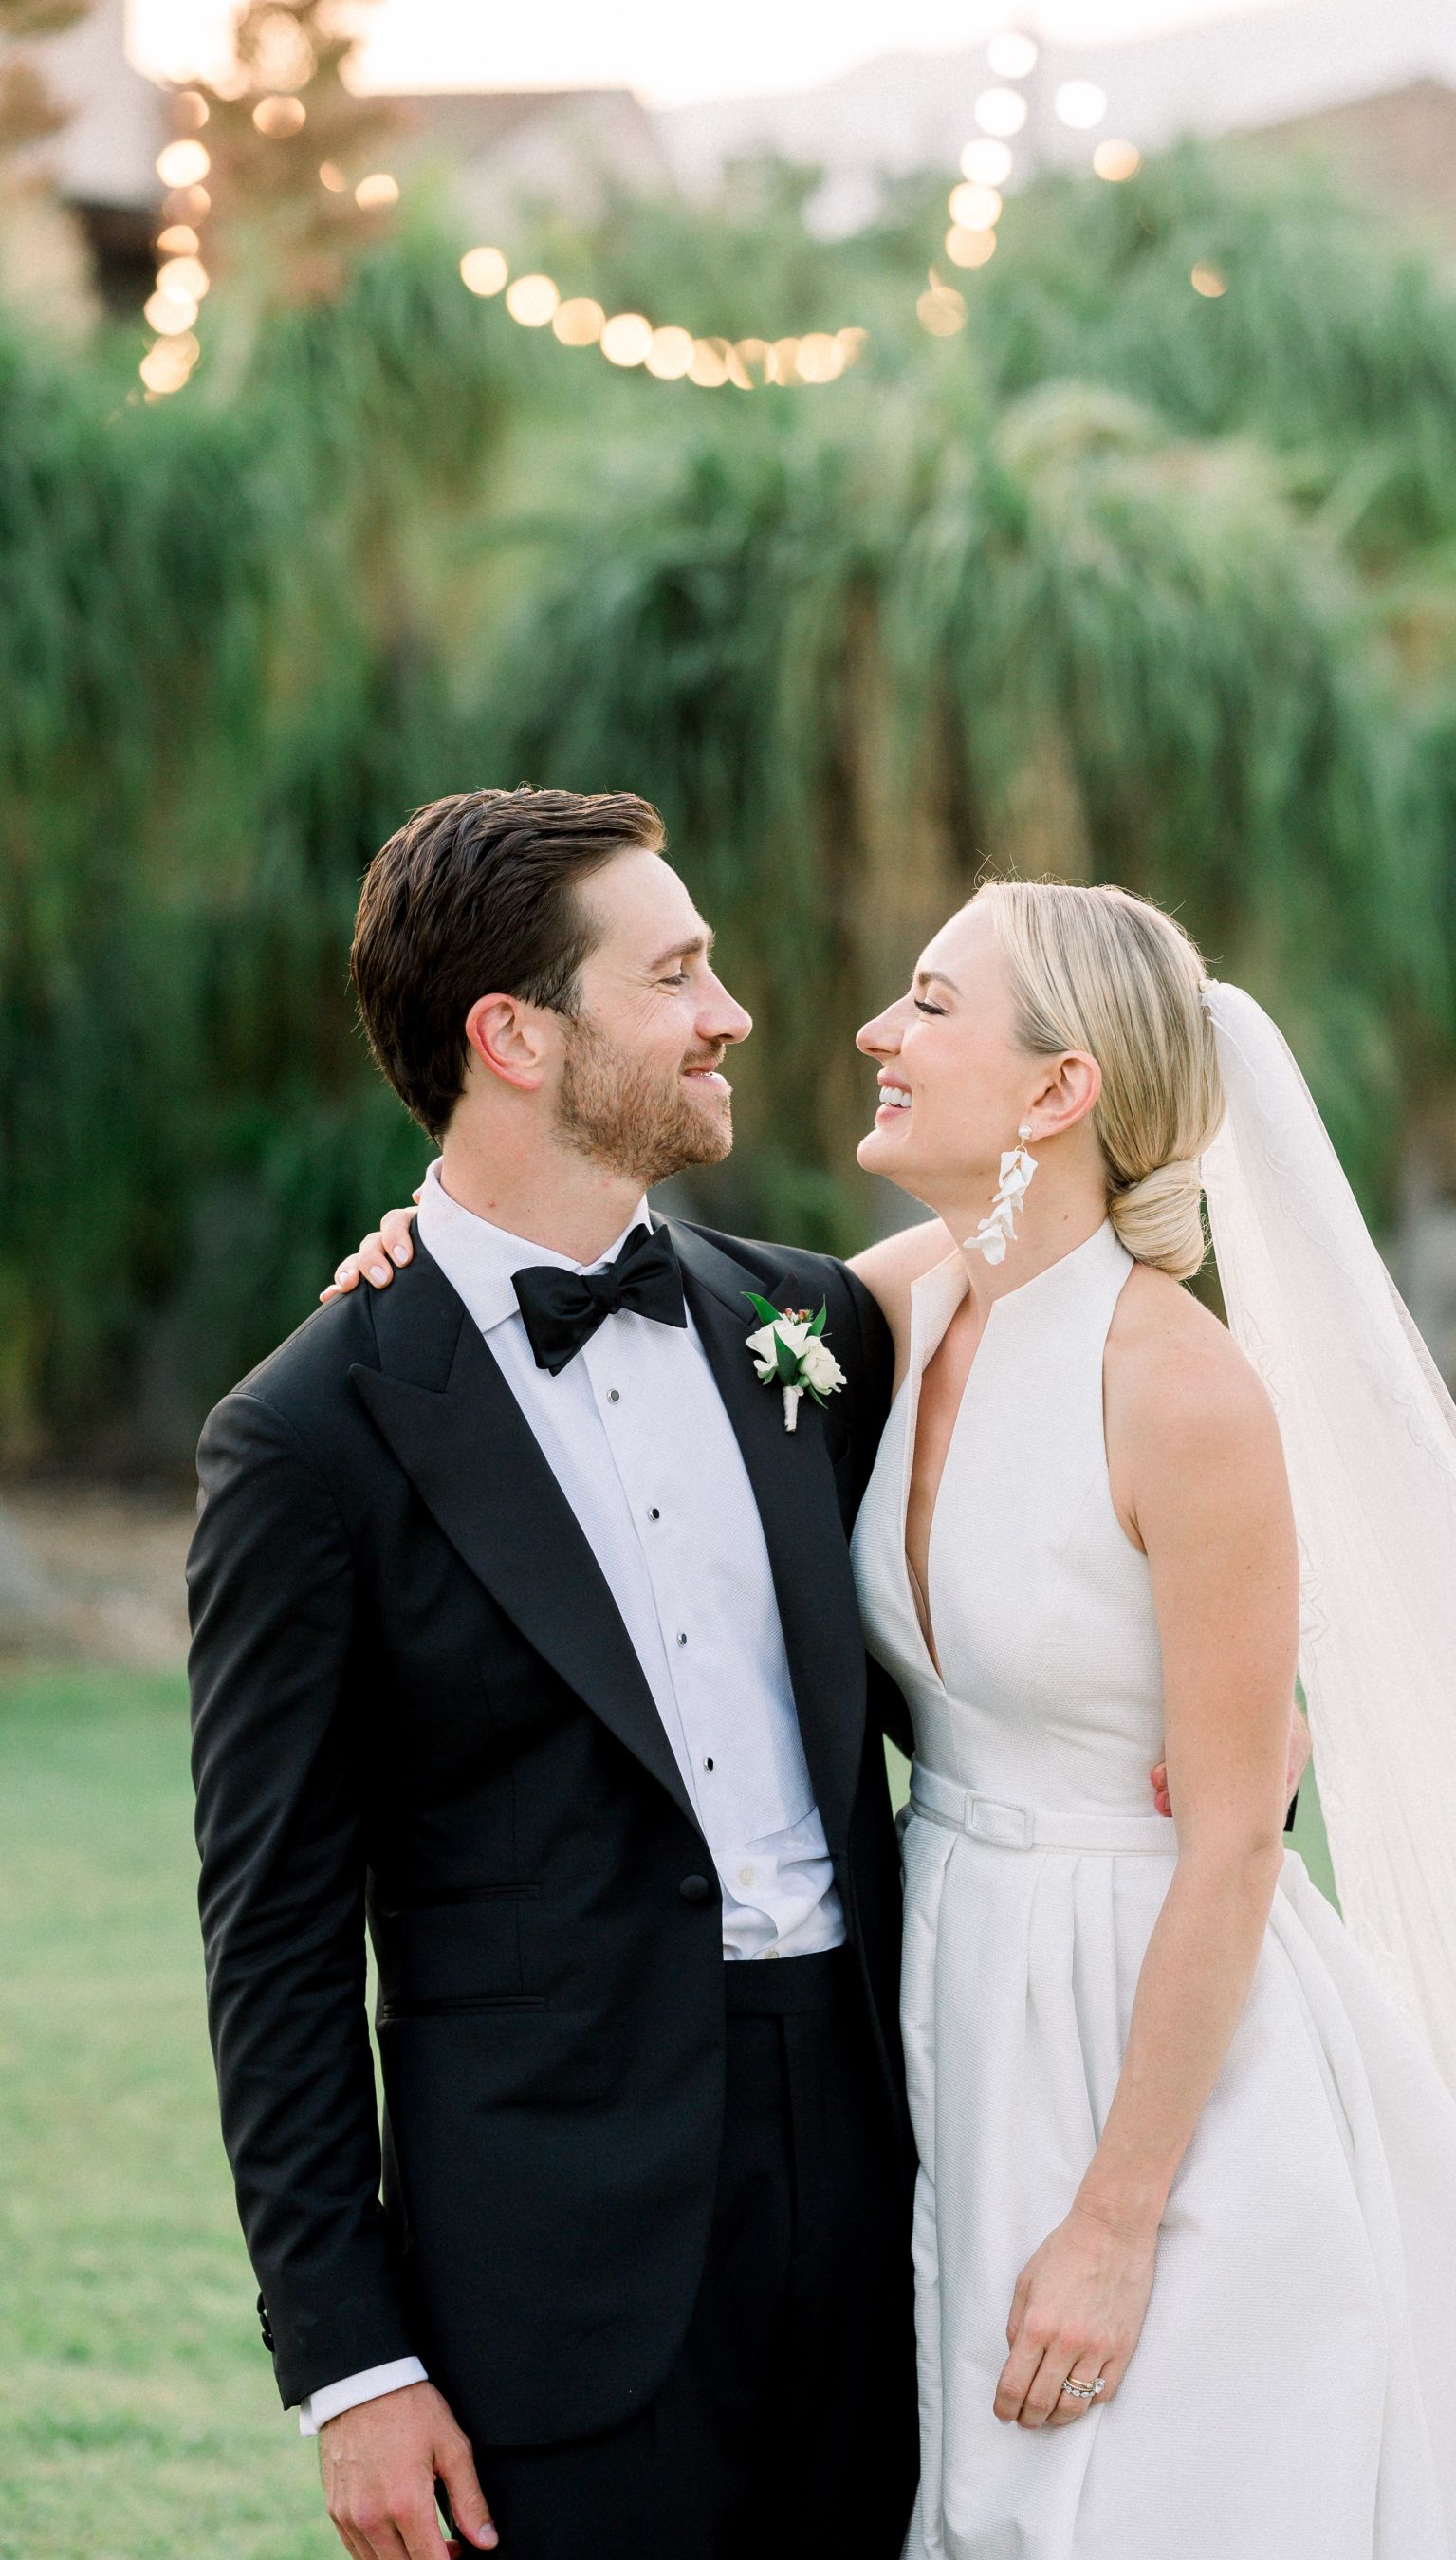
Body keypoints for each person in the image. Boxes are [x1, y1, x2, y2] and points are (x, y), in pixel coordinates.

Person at [342, 872, 1456, 2556]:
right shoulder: (885, 1310)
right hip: (943, 1998)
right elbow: (642, 1315)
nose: (871, 1031)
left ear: (1060, 1090)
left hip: (1151, 2024)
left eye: (929, 1002)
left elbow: (1230, 1841)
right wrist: (432, 1251)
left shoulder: (1182, 1389)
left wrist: (1120, 2217)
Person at [188, 788, 938, 2560]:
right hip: (550, 2275)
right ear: (513, 1037)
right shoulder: (308, 1438)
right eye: (675, 972)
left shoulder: (811, 1328)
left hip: (886, 2187)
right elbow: (275, 1934)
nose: (731, 1009)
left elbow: (997, 1607)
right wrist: (352, 2365)